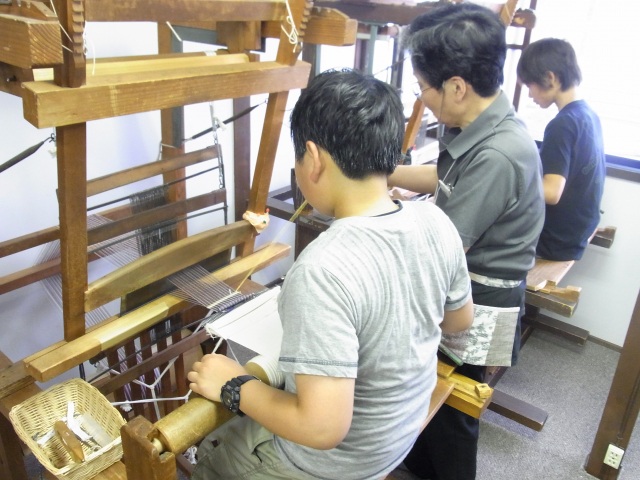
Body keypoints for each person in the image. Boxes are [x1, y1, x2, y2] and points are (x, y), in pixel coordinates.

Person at [187, 69, 474, 480]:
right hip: (398, 434)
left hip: (335, 464)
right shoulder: (434, 220)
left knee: (214, 452)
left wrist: (233, 384)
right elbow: (460, 322)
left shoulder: (322, 269)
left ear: (314, 159)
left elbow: (321, 428)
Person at [387, 3, 545, 479]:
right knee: (432, 397)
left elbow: (444, 251)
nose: (424, 100)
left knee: (453, 405)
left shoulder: (499, 153)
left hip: (478, 301)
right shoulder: (485, 127)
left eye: (423, 90)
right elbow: (444, 176)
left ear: (456, 86)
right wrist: (378, 172)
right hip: (467, 285)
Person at [517, 38, 606, 261]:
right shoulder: (588, 114)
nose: (529, 95)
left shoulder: (562, 124)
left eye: (530, 85)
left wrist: (509, 183)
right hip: (580, 229)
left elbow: (551, 192)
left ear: (550, 78)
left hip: (558, 242)